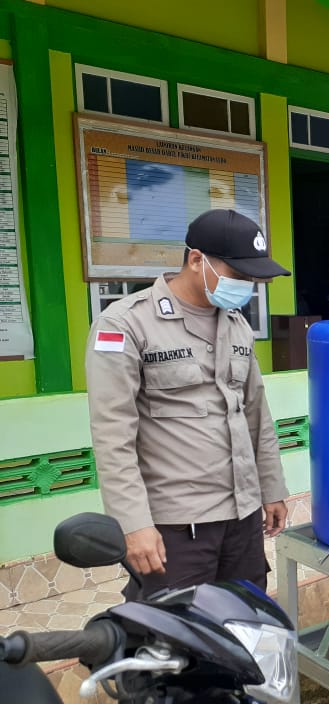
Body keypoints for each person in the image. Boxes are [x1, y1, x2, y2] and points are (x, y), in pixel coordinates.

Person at [86, 208, 292, 600]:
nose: (247, 285)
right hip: (176, 527)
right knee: (173, 631)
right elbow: (113, 436)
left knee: (245, 621)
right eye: (239, 274)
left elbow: (256, 415)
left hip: (243, 518)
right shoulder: (126, 324)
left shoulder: (236, 325)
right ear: (197, 260)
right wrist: (133, 524)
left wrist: (272, 489)